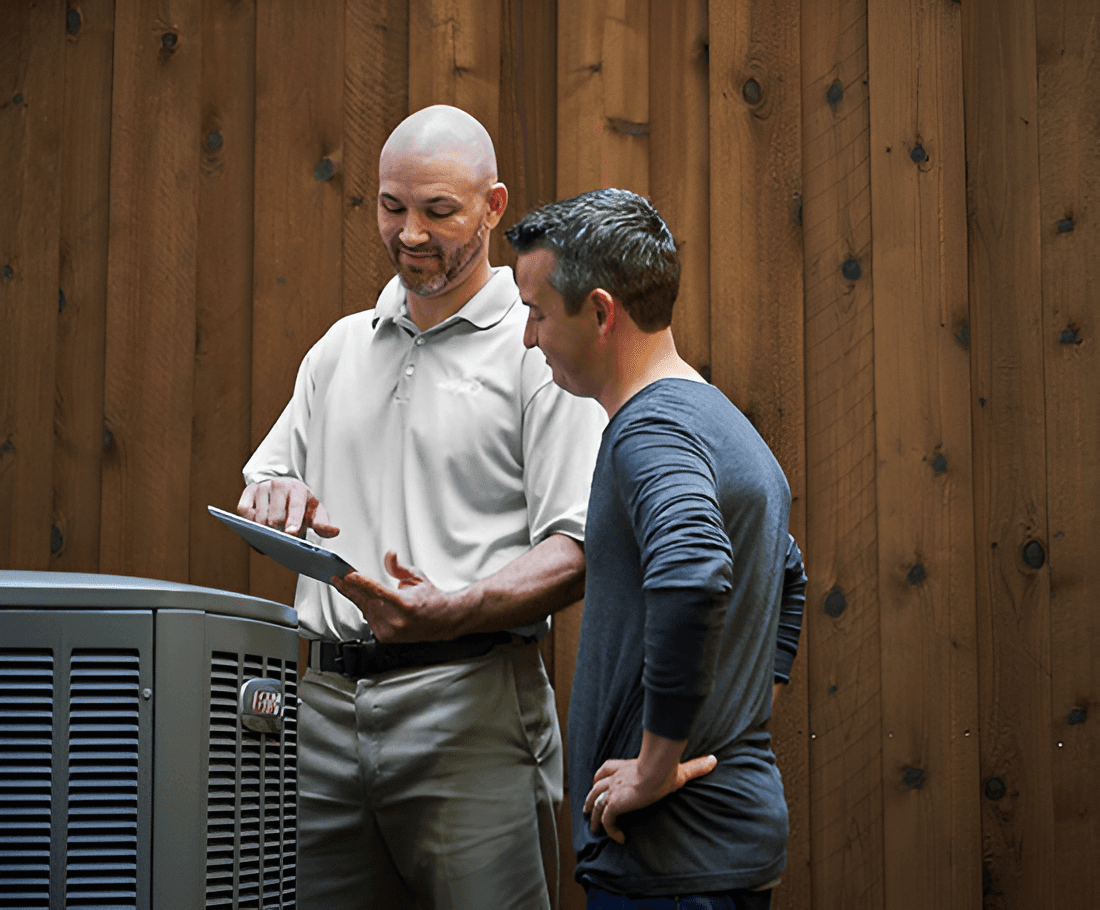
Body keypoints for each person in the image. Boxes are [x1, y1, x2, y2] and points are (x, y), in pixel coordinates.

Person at [237, 105, 605, 910]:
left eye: (439, 212)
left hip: (471, 709)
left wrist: (456, 608)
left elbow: (577, 546)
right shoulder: (337, 348)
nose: (410, 233)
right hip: (320, 718)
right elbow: (263, 483)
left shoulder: (536, 350)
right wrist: (276, 497)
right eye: (391, 206)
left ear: (494, 207)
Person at [507, 188, 796, 909]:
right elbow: (786, 571)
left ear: (601, 312)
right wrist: (735, 717)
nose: (528, 336)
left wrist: (656, 764)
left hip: (670, 861)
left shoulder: (650, 432)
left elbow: (693, 568)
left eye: (538, 313)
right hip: (724, 845)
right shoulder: (718, 420)